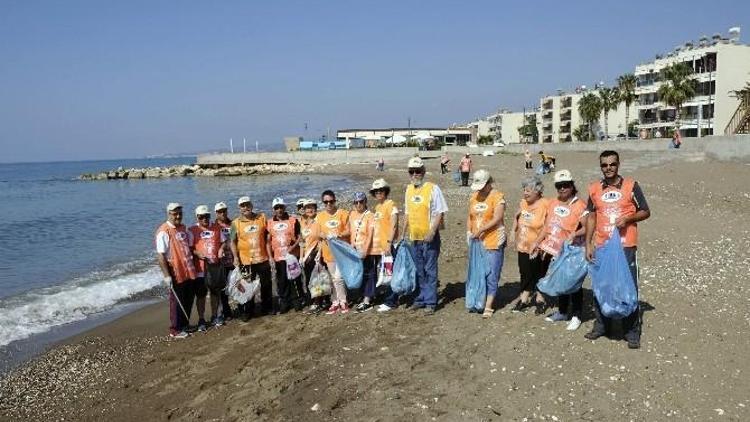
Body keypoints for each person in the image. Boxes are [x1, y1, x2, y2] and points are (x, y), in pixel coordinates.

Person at [584, 150, 651, 349]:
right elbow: (591, 217)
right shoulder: (594, 188)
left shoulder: (631, 186)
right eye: (604, 165)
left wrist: (629, 218)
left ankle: (631, 331)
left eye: (612, 164)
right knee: (602, 286)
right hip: (602, 245)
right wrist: (588, 243)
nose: (608, 168)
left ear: (618, 164)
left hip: (625, 245)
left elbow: (646, 211)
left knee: (627, 287)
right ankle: (602, 325)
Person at [531, 170, 589, 331]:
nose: (562, 188)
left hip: (572, 251)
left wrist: (575, 233)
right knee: (560, 281)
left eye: (566, 185)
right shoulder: (553, 203)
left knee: (574, 284)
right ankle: (563, 312)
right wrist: (537, 242)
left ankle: (577, 315)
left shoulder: (580, 205)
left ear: (572, 186)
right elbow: (547, 226)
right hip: (554, 249)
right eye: (559, 186)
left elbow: (588, 227)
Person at [403, 157, 448, 314]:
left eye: (418, 171)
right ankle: (421, 297)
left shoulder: (433, 189)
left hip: (429, 237)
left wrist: (432, 231)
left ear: (424, 171)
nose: (415, 174)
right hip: (414, 237)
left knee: (430, 269)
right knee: (419, 269)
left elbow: (439, 212)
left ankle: (430, 301)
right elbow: (407, 213)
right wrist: (403, 234)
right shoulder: (408, 190)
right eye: (412, 172)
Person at [466, 169, 507, 318]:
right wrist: (469, 232)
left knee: (491, 273)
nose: (480, 190)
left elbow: (497, 218)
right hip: (477, 241)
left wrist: (482, 230)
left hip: (493, 240)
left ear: (489, 183)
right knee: (478, 272)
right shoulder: (474, 197)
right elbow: (470, 217)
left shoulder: (498, 197)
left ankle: (489, 305)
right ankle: (479, 299)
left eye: (483, 186)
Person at [509, 176, 550, 314]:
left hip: (539, 246)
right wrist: (512, 231)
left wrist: (539, 243)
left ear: (537, 191)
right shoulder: (523, 203)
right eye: (524, 190)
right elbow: (516, 216)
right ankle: (524, 298)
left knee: (539, 272)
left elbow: (549, 226)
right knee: (524, 271)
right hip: (523, 244)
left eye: (528, 190)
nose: (525, 193)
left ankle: (540, 299)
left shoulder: (545, 204)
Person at [155, 203, 197, 339]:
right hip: (175, 271)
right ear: (169, 214)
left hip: (188, 270)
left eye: (180, 213)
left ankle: (185, 325)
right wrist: (167, 276)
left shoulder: (183, 228)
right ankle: (175, 329)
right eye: (175, 214)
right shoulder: (164, 231)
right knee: (176, 301)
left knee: (188, 298)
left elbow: (189, 246)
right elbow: (161, 256)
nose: (178, 216)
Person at [230, 196, 273, 320]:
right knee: (247, 286)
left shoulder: (262, 217)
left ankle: (267, 307)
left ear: (251, 205)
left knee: (266, 284)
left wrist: (271, 255)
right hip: (245, 260)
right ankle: (247, 311)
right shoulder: (235, 223)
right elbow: (232, 241)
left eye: (247, 205)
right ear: (239, 208)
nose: (245, 207)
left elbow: (268, 235)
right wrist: (235, 257)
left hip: (262, 258)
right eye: (243, 205)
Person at [189, 205, 227, 330]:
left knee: (215, 293)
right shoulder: (192, 230)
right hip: (200, 270)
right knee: (201, 295)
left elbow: (223, 242)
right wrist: (197, 253)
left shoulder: (216, 227)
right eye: (201, 217)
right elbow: (189, 248)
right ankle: (201, 319)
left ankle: (215, 316)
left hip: (215, 267)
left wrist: (221, 249)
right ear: (197, 217)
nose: (205, 219)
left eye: (207, 216)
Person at [266, 197, 305, 313]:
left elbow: (300, 237)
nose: (279, 210)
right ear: (273, 209)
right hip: (278, 258)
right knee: (282, 281)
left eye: (281, 207)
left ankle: (297, 300)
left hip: (292, 256)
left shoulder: (293, 220)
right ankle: (284, 302)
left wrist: (292, 248)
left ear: (284, 207)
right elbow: (267, 242)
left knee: (295, 279)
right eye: (276, 208)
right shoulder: (269, 223)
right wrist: (270, 257)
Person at [368, 179, 401, 313]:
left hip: (390, 245)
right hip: (382, 247)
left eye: (381, 190)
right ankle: (390, 298)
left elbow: (393, 225)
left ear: (386, 191)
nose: (378, 193)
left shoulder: (390, 204)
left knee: (390, 273)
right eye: (376, 191)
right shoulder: (377, 207)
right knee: (386, 272)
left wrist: (389, 243)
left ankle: (391, 301)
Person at [316, 190, 351, 314]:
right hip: (328, 252)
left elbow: (349, 230)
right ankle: (335, 301)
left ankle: (343, 301)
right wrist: (324, 235)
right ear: (323, 203)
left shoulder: (343, 213)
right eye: (326, 202)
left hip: (342, 252)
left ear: (335, 200)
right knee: (332, 278)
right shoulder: (320, 216)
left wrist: (338, 235)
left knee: (339, 278)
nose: (329, 204)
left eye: (331, 201)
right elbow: (318, 234)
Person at [349, 191, 377, 312]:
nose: (359, 204)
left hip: (366, 250)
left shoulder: (370, 215)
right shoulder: (352, 214)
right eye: (356, 202)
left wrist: (366, 250)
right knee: (360, 273)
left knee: (369, 273)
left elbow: (370, 234)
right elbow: (351, 232)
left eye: (361, 201)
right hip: (355, 250)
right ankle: (364, 295)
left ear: (365, 202)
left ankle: (367, 300)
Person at [299, 198, 327, 314]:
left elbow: (321, 239)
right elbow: (301, 241)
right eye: (307, 208)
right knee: (309, 279)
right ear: (304, 210)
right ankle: (314, 300)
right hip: (306, 256)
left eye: (312, 207)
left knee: (318, 279)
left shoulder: (319, 221)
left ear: (315, 208)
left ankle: (318, 302)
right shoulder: (302, 223)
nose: (309, 210)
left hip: (317, 255)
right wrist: (301, 256)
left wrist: (318, 253)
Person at [214, 202, 235, 321]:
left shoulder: (233, 224)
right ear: (216, 213)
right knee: (223, 289)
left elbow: (235, 240)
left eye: (224, 211)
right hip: (221, 263)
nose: (223, 213)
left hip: (234, 260)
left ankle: (243, 306)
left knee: (238, 285)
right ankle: (226, 312)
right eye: (220, 212)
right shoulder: (214, 226)